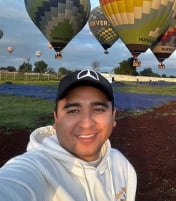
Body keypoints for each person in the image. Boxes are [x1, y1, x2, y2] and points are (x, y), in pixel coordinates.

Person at [0, 69, 137, 201]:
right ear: (56, 119)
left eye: (98, 109)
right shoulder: (35, 168)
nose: (87, 123)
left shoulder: (121, 165)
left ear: (113, 117)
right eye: (73, 111)